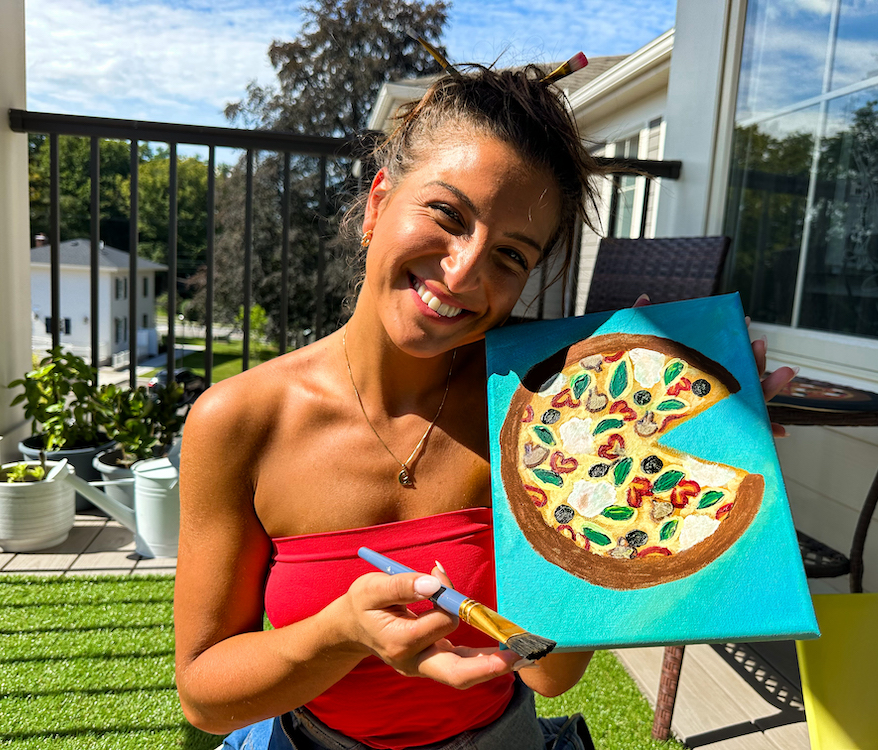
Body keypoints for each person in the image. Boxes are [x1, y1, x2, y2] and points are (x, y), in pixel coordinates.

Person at [174, 61, 795, 750]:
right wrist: (341, 633)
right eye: (446, 214)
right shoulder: (239, 420)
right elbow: (206, 695)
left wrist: (670, 480)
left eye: (510, 255)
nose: (465, 271)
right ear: (378, 203)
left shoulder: (539, 409)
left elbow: (549, 675)